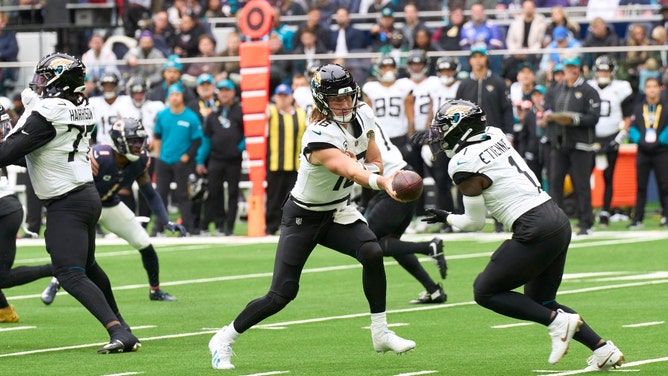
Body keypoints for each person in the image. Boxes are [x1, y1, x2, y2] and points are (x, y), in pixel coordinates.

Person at [207, 64, 415, 370]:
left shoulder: (363, 114)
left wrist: (377, 173)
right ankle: (224, 338)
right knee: (281, 294)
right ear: (321, 100)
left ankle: (380, 332)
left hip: (338, 209)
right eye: (336, 99)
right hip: (303, 217)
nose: (345, 104)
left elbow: (373, 159)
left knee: (372, 250)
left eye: (348, 97)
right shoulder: (318, 136)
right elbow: (350, 170)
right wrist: (381, 181)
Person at [417, 98, 625, 372]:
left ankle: (558, 323)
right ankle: (603, 349)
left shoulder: (462, 162)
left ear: (461, 128)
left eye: (444, 127)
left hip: (533, 226)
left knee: (485, 291)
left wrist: (446, 217)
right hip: (556, 219)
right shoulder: (495, 134)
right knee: (543, 301)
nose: (439, 134)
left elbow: (474, 222)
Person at [0, 52, 139, 353]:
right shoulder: (80, 106)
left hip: (68, 203)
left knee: (69, 273)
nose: (39, 84)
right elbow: (36, 155)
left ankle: (117, 331)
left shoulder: (49, 111)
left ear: (61, 81)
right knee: (87, 267)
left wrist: (26, 114)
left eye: (45, 78)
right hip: (84, 196)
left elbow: (6, 153)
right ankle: (122, 325)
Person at [40, 118, 186, 305]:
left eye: (140, 140)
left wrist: (166, 221)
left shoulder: (140, 161)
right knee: (79, 253)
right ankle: (55, 282)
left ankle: (155, 290)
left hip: (110, 205)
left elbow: (150, 193)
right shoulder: (99, 156)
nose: (138, 145)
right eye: (134, 141)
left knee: (144, 243)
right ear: (119, 141)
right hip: (85, 208)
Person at [0, 105, 53, 323]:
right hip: (8, 209)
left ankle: (56, 268)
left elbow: (29, 159)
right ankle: (4, 310)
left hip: (4, 211)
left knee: (1, 277)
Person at [544, 56, 601, 235]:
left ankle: (586, 223)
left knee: (581, 184)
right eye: (567, 67)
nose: (570, 70)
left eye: (573, 67)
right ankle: (556, 224)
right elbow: (548, 110)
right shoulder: (556, 90)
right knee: (555, 183)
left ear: (580, 69)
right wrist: (548, 117)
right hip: (559, 143)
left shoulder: (589, 90)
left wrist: (574, 119)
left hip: (581, 144)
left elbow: (594, 117)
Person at [586, 56, 634, 227]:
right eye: (601, 70)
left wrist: (621, 136)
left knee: (608, 176)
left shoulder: (621, 88)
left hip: (611, 137)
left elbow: (629, 116)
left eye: (606, 70)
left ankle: (605, 211)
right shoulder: (588, 87)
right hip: (591, 137)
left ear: (612, 72)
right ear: (596, 72)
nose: (603, 73)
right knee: (584, 176)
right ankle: (586, 211)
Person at [153, 84, 205, 235]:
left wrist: (187, 156)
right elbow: (157, 136)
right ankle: (159, 227)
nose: (175, 97)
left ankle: (187, 227)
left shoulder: (191, 117)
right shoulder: (162, 115)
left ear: (182, 97)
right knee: (161, 194)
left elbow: (197, 140)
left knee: (183, 195)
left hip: (181, 161)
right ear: (168, 97)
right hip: (164, 159)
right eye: (172, 95)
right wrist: (158, 156)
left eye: (177, 94)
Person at [195, 79, 244, 236]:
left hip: (233, 160)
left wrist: (238, 149)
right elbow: (207, 139)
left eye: (227, 90)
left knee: (233, 193)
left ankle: (229, 227)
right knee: (214, 192)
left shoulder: (240, 111)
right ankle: (219, 224)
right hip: (216, 158)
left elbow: (248, 134)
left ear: (233, 92)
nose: (224, 93)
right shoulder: (213, 114)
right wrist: (200, 160)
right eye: (221, 90)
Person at [265, 84, 307, 236]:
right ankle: (271, 226)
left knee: (293, 199)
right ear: (275, 98)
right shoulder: (271, 113)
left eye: (285, 96)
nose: (282, 99)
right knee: (274, 197)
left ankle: (289, 225)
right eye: (280, 96)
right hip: (275, 163)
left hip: (295, 164)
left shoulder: (301, 114)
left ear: (291, 97)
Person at [627, 77, 668, 229]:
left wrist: (660, 140)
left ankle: (666, 215)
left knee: (665, 185)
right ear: (645, 89)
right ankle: (638, 218)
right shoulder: (638, 108)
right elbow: (632, 128)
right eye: (649, 86)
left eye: (654, 86)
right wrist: (640, 140)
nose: (651, 89)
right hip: (643, 151)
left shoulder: (666, 107)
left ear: (659, 88)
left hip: (662, 151)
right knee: (641, 186)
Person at [362, 56, 415, 160]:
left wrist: (410, 139)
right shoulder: (370, 88)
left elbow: (411, 116)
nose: (388, 70)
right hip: (379, 137)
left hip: (400, 135)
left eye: (391, 67)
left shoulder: (405, 85)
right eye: (384, 67)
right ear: (378, 69)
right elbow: (367, 118)